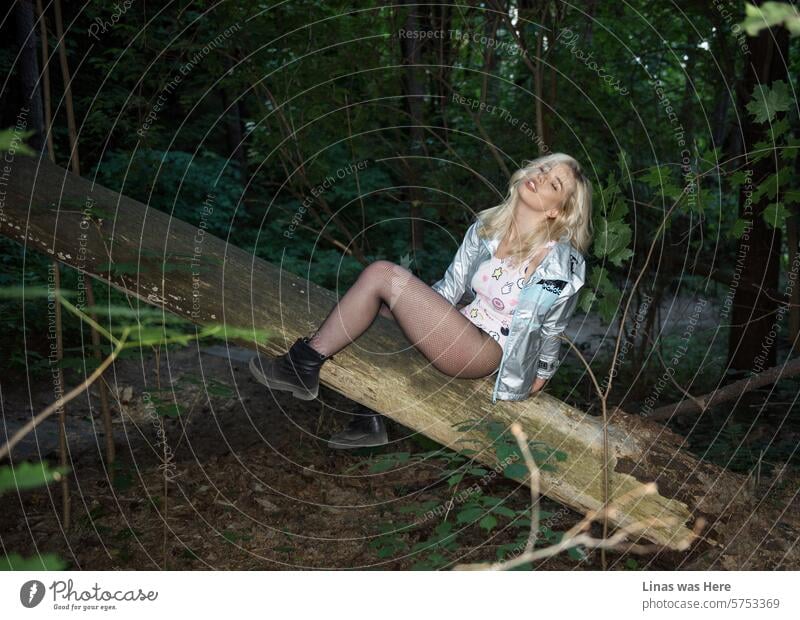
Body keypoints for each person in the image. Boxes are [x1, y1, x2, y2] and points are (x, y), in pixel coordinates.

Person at [249, 152, 592, 448]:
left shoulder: (558, 262)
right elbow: (452, 285)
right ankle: (368, 418)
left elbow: (552, 327)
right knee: (379, 311)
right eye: (543, 169)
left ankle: (302, 364)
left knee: (383, 274)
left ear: (556, 213)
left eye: (554, 184)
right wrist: (416, 313)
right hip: (462, 325)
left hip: (486, 350)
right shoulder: (487, 228)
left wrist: (541, 373)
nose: (541, 176)